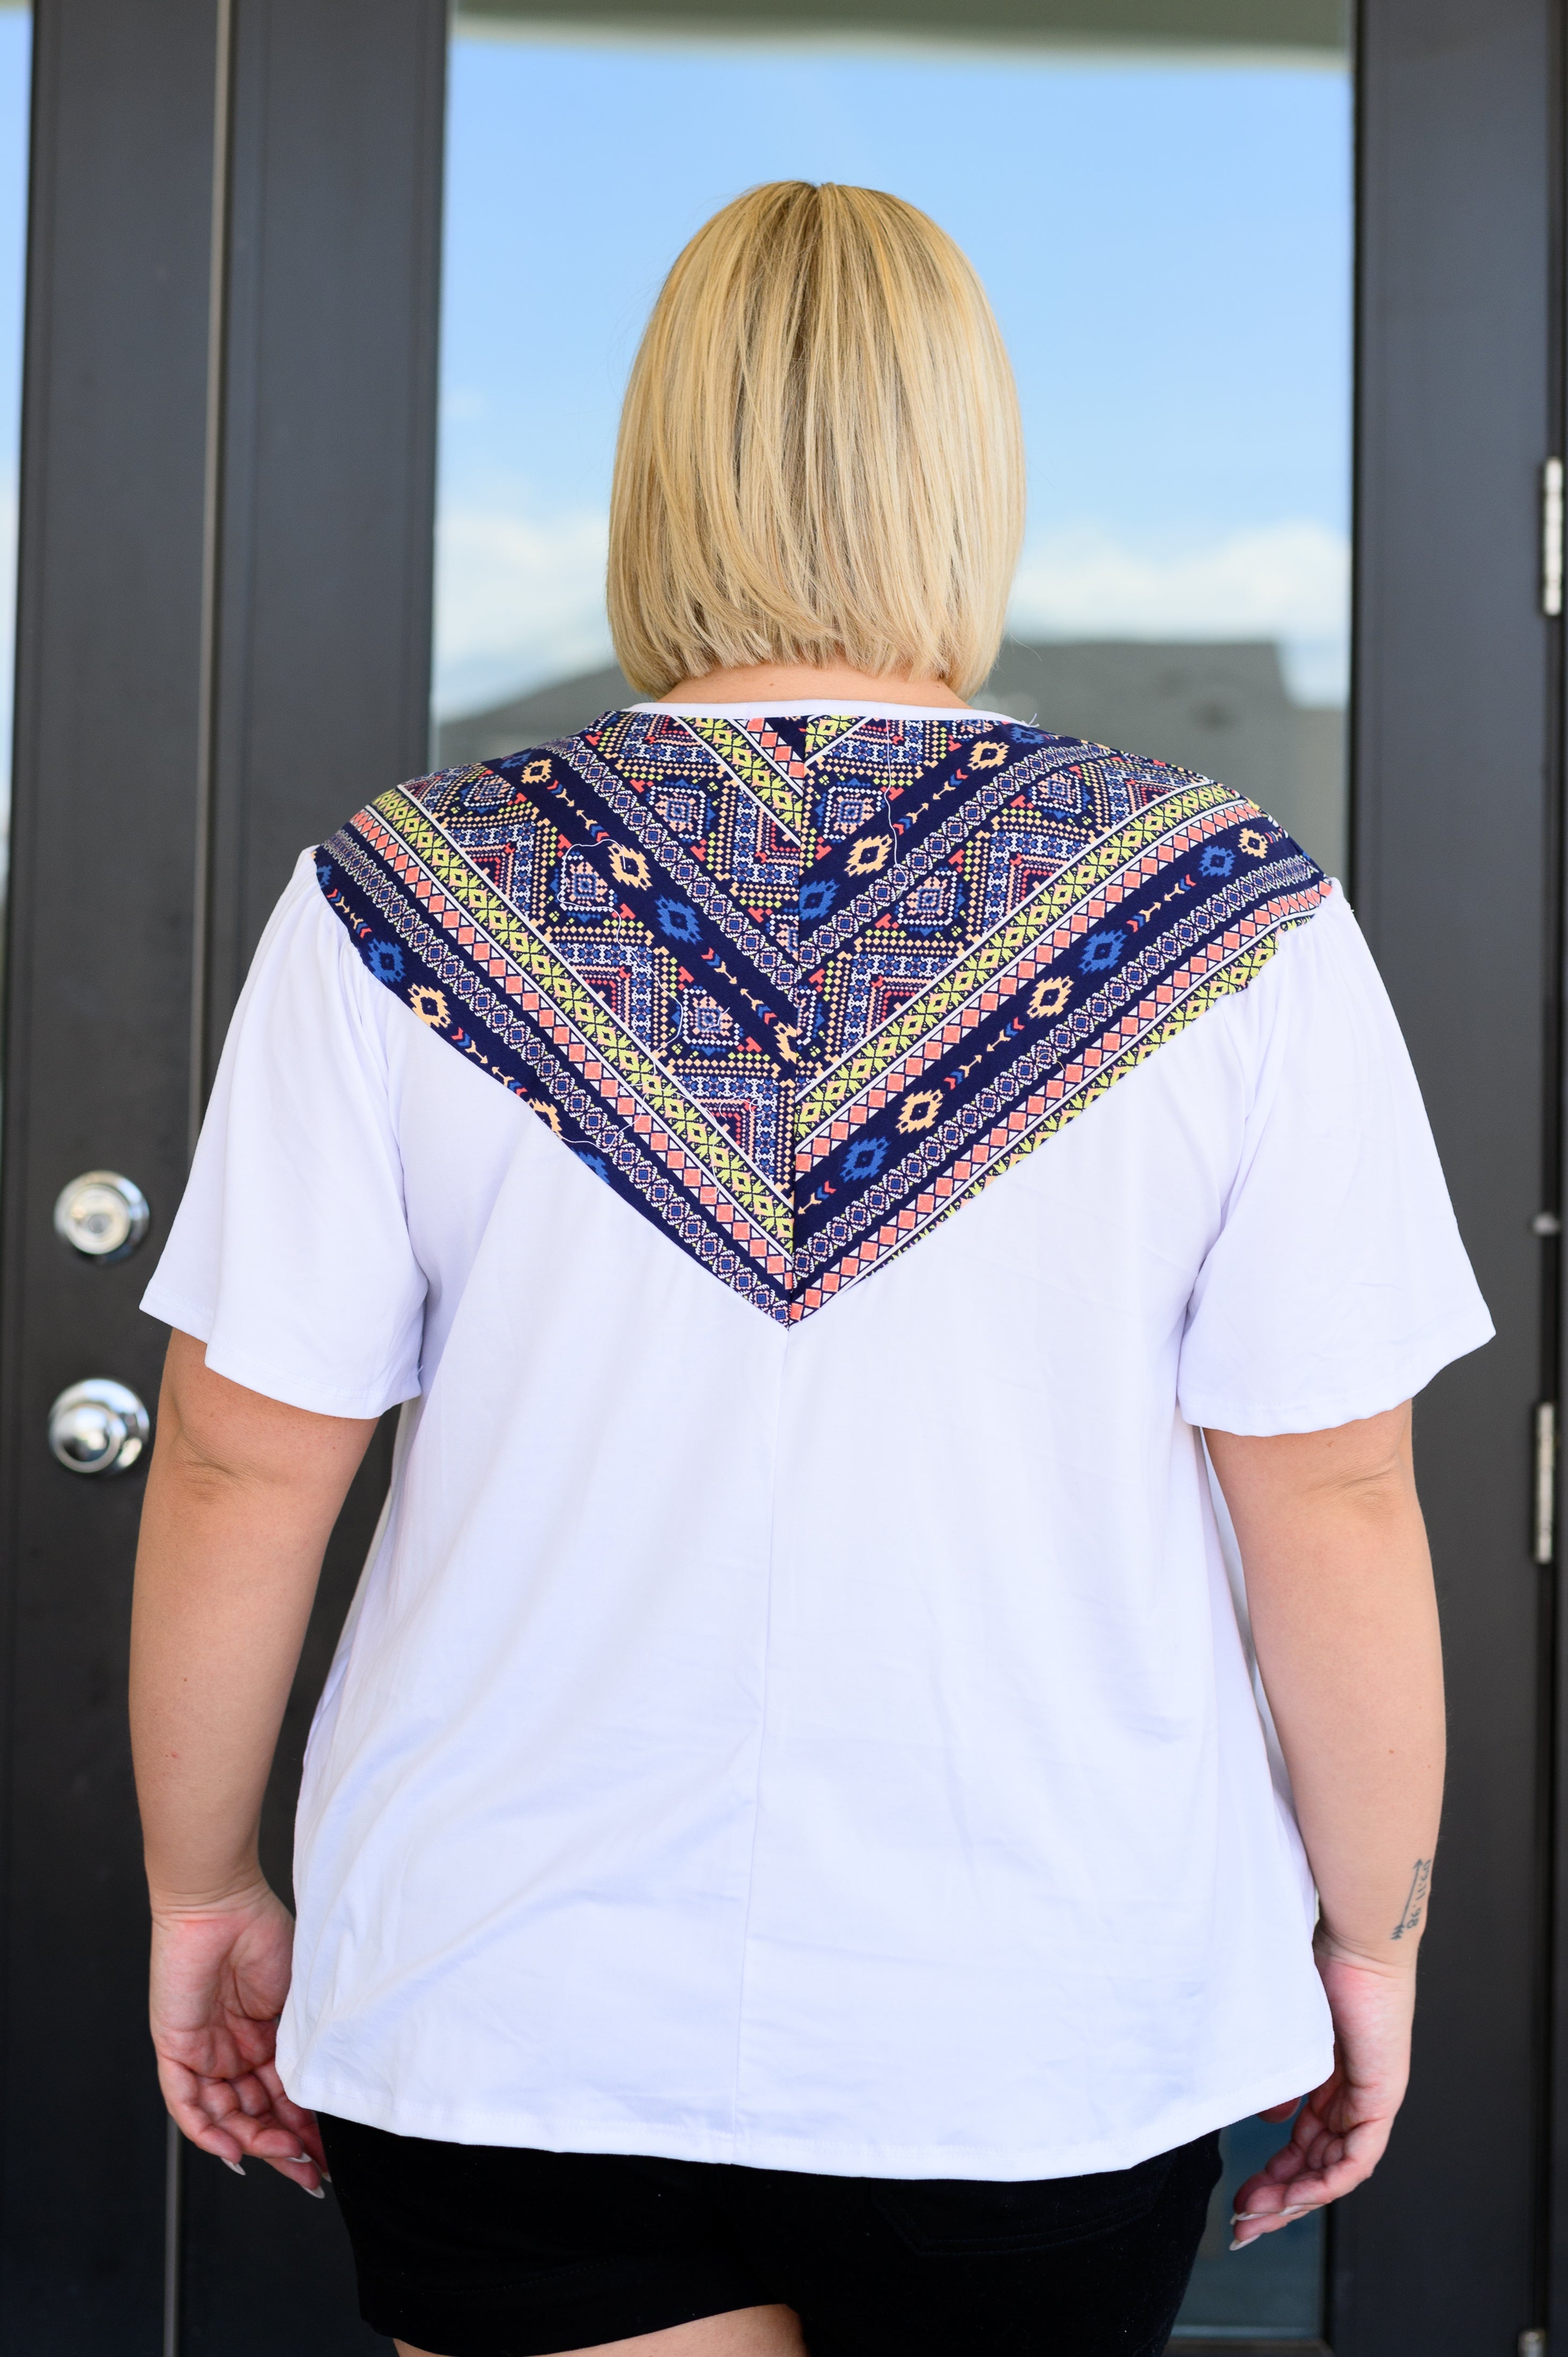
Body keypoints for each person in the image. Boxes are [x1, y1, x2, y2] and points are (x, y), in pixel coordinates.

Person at [130, 182, 1489, 2357]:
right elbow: (1330, 1495)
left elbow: (232, 1461)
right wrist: (1370, 1939)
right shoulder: (1229, 918)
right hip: (1039, 2014)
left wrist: (205, 1887)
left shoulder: (398, 898)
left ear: (655, 465)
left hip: (510, 1997)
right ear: (971, 475)